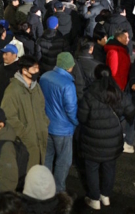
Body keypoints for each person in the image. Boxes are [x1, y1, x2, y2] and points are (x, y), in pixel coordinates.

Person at [77, 64, 135, 210]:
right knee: (109, 167)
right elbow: (131, 112)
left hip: (92, 139)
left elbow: (82, 117)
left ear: (96, 76)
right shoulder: (117, 92)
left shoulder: (90, 93)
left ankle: (94, 198)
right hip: (113, 140)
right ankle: (106, 196)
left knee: (92, 168)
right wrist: (119, 119)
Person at [39, 52, 79, 193]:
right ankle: (58, 191)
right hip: (63, 130)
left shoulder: (44, 77)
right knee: (63, 162)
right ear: (70, 67)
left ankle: (45, 188)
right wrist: (75, 123)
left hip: (47, 126)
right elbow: (71, 109)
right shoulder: (68, 85)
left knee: (47, 158)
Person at [1, 55, 49, 170]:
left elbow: (42, 108)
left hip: (40, 138)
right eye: (34, 69)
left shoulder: (36, 87)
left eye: (38, 68)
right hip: (25, 142)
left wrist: (44, 124)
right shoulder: (12, 90)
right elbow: (9, 117)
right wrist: (24, 133)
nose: (37, 71)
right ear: (24, 70)